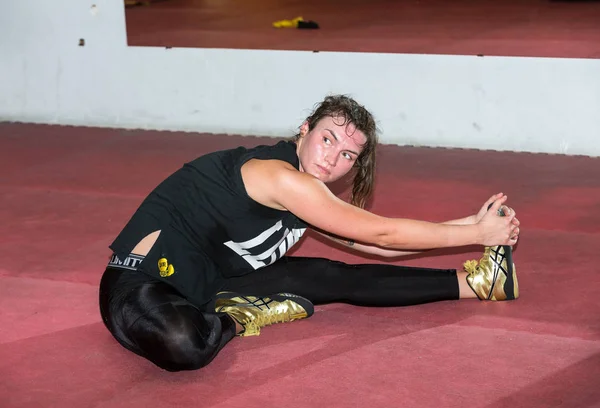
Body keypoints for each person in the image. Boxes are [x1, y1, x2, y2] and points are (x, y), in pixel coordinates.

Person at [99, 95, 520, 372]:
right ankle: (240, 316)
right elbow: (387, 234)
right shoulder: (282, 178)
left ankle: (478, 283)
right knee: (183, 345)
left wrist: (469, 225)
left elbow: (377, 246)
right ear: (304, 130)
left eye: (347, 154)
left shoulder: (307, 193)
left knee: (334, 276)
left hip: (214, 281)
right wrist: (481, 232)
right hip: (142, 282)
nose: (331, 158)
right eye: (327, 138)